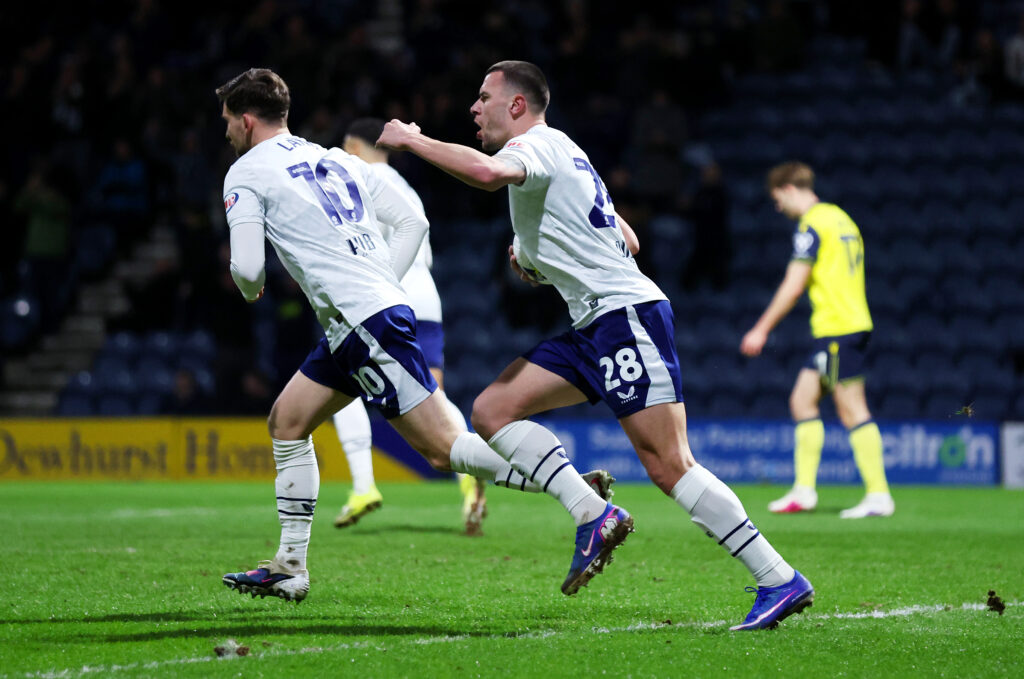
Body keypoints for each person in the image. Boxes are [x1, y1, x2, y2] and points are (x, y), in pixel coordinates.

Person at [376, 60, 813, 630]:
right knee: (492, 409)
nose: (473, 108)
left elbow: (486, 174)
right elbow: (625, 235)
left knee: (669, 465)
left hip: (623, 317)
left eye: (484, 98)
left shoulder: (540, 144)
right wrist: (543, 256)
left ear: (516, 105)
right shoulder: (561, 154)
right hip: (592, 325)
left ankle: (777, 578)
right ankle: (591, 511)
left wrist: (414, 141)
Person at [215, 68, 616, 604]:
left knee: (442, 449)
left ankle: (582, 501)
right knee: (287, 422)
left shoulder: (245, 172)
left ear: (245, 120)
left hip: (363, 321)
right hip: (355, 322)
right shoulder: (336, 159)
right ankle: (289, 564)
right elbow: (413, 222)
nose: (225, 134)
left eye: (226, 122)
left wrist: (252, 288)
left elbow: (244, 269)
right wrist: (384, 279)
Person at [329, 117, 486, 536]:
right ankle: (469, 468)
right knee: (433, 393)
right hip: (426, 297)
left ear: (352, 145)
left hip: (388, 294)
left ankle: (363, 486)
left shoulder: (356, 178)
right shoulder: (405, 185)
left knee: (338, 383)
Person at [740, 161, 894, 519]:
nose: (779, 209)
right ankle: (804, 491)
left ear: (790, 189)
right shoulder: (842, 219)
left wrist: (761, 328)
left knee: (852, 409)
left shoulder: (811, 224)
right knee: (802, 400)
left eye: (778, 200)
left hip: (838, 328)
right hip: (844, 325)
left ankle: (878, 494)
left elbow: (795, 284)